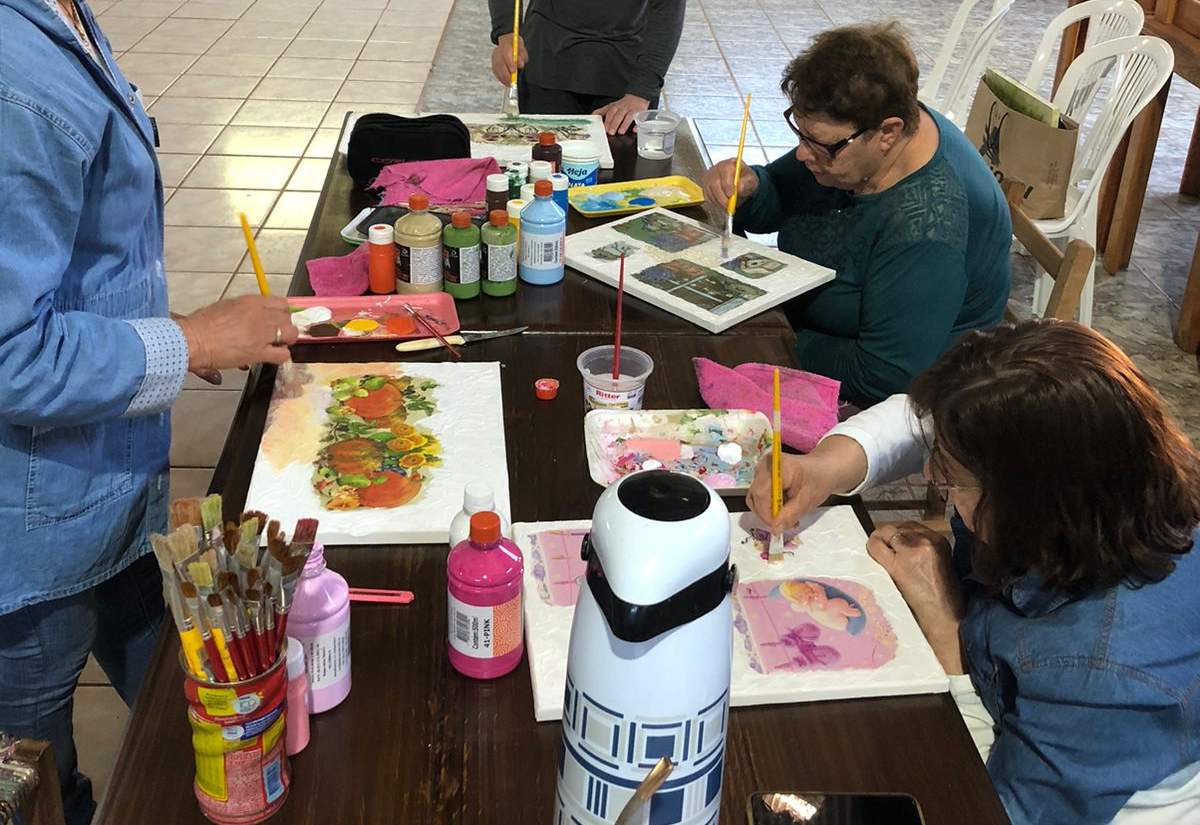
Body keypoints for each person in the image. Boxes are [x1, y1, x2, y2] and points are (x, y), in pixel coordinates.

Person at [0, 1, 298, 822]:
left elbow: (76, 264)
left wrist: (174, 341)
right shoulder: (11, 82)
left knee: (207, 710)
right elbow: (10, 354)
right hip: (33, 544)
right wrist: (191, 341)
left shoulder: (58, 20)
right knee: (38, 785)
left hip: (109, 491)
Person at [747, 320, 1200, 825]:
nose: (930, 476)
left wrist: (946, 632)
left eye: (952, 480)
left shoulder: (1105, 673)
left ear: (1030, 507)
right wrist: (822, 469)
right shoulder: (1098, 471)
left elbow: (990, 808)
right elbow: (918, 421)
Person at [702, 24, 1011, 408]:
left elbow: (884, 376)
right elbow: (780, 199)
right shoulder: (854, 143)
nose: (802, 154)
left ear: (888, 132)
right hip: (796, 322)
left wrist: (771, 334)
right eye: (800, 135)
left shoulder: (927, 226)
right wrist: (750, 186)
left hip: (898, 400)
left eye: (819, 144)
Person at [487, 0, 684, 134]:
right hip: (547, 62)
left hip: (626, 77)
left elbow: (669, 7)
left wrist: (641, 90)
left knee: (621, 183)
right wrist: (506, 33)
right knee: (543, 175)